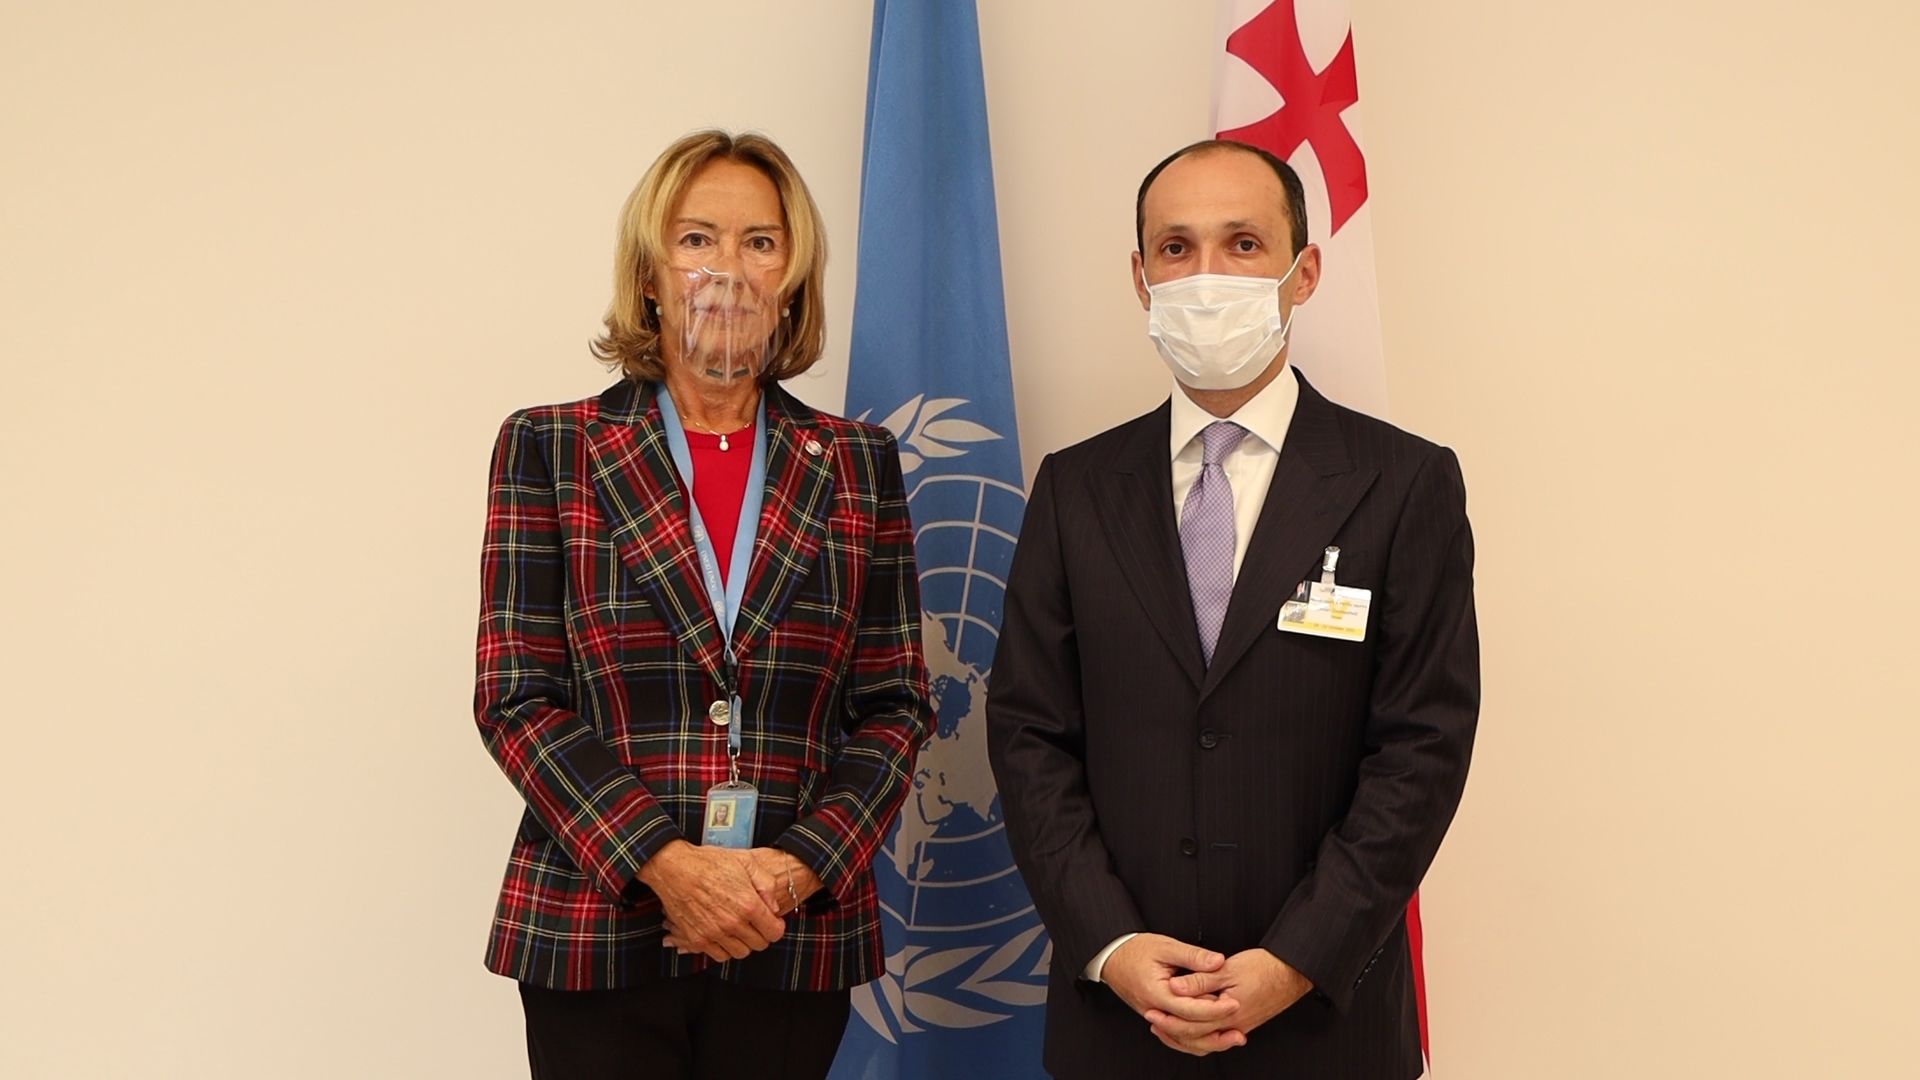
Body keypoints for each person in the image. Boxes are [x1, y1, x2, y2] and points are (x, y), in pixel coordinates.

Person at [986, 139, 1479, 1079]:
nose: (1207, 275)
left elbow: (1423, 749)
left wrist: (1296, 959)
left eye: (1243, 244)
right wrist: (1113, 947)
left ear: (1305, 272)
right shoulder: (1073, 489)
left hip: (1326, 1024)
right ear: (1141, 278)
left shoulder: (1405, 482)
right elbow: (1028, 735)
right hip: (1118, 1024)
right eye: (1176, 248)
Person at [475, 130, 934, 1080]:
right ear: (650, 275)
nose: (728, 269)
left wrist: (795, 868)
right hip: (599, 927)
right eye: (696, 240)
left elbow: (895, 704)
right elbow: (517, 698)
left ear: (791, 281)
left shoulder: (859, 463)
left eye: (760, 243)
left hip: (790, 931)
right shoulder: (550, 448)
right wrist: (668, 866)